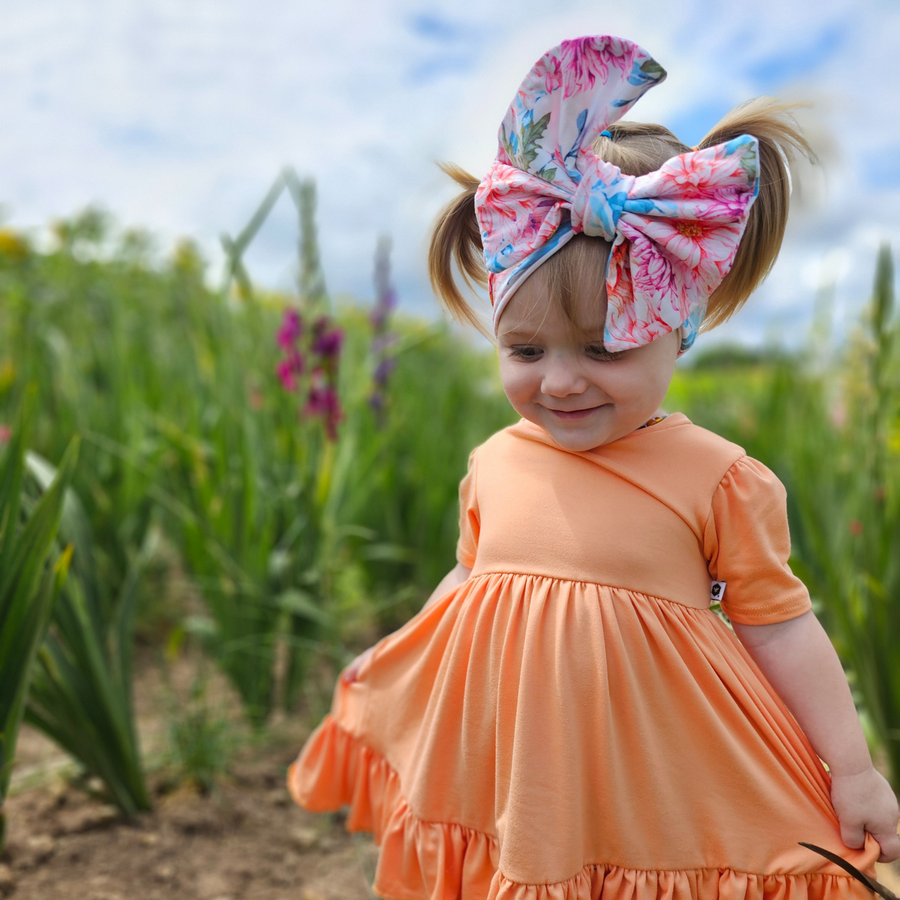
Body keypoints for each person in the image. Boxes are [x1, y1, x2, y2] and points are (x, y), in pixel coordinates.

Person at [287, 35, 900, 900]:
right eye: (526, 348)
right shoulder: (495, 461)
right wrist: (393, 654)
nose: (561, 380)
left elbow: (780, 627)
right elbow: (467, 579)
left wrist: (852, 769)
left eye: (606, 349)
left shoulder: (716, 477)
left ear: (676, 336)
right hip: (522, 767)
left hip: (654, 775)